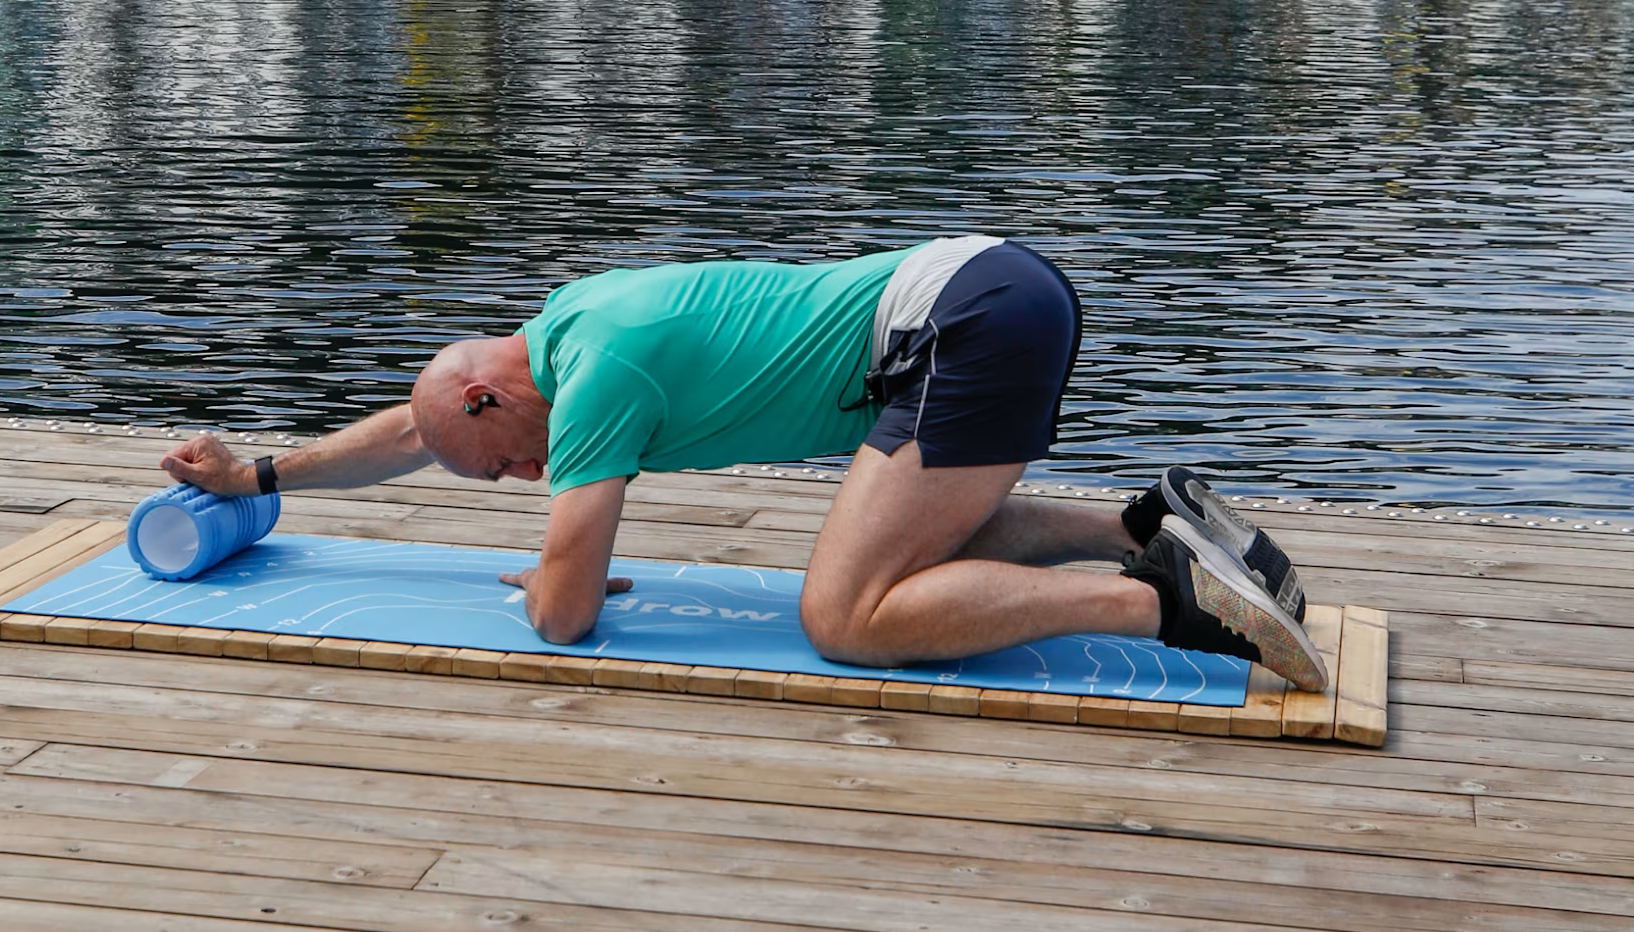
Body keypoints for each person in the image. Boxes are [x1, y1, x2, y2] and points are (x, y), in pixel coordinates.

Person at [163, 236, 1326, 691]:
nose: (527, 479)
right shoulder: (565, 328)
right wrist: (262, 477)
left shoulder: (600, 381)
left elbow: (565, 618)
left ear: (491, 392)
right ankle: (1148, 529)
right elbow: (423, 431)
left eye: (507, 466)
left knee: (851, 615)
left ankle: (1169, 605)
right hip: (988, 291)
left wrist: (556, 572)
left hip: (959, 323)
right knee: (921, 556)